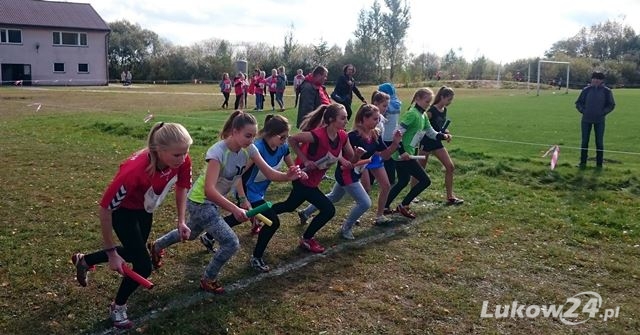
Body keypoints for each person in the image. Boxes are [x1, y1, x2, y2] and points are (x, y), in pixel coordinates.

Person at [149, 111, 305, 294]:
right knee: (231, 242)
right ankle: (208, 279)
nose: (251, 139)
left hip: (210, 203)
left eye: (254, 136)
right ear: (234, 131)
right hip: (200, 201)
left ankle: (156, 245)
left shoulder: (250, 149)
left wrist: (288, 176)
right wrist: (235, 208)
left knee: (190, 234)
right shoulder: (218, 152)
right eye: (247, 135)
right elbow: (209, 190)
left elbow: (269, 173)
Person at [70, 122, 193, 329]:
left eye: (185, 153)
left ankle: (85, 260)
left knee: (132, 252)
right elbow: (106, 210)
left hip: (144, 209)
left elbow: (182, 187)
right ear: (159, 150)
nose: (182, 160)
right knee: (143, 266)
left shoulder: (182, 160)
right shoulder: (134, 171)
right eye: (177, 155)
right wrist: (110, 253)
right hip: (122, 212)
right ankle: (117, 306)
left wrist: (181, 220)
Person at [299, 104, 401, 239]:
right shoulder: (353, 136)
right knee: (365, 203)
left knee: (335, 196)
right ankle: (346, 227)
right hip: (345, 173)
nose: (378, 122)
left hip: (356, 172)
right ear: (364, 118)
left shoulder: (375, 134)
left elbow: (385, 155)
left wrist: (395, 143)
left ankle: (305, 212)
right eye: (375, 119)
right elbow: (338, 152)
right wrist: (347, 161)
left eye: (378, 119)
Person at [274, 103, 355, 253]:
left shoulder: (342, 136)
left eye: (347, 118)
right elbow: (292, 139)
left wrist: (347, 158)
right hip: (302, 178)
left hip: (313, 180)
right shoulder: (317, 135)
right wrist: (305, 160)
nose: (346, 121)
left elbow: (350, 156)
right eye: (343, 118)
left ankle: (261, 213)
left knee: (289, 206)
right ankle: (306, 238)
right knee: (328, 210)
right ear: (331, 119)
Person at [384, 88, 450, 219]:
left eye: (430, 102)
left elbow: (431, 133)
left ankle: (385, 206)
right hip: (403, 155)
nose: (428, 104)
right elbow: (396, 134)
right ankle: (404, 205)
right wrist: (402, 152)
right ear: (418, 99)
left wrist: (444, 136)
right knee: (425, 181)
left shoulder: (423, 115)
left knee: (403, 181)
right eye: (426, 101)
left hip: (408, 154)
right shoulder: (412, 114)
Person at [417, 86, 463, 205]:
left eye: (451, 100)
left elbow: (440, 127)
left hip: (437, 143)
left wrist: (446, 133)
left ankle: (450, 196)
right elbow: (423, 125)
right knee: (419, 170)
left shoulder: (444, 110)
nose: (450, 102)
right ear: (442, 97)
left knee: (450, 167)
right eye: (448, 99)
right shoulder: (431, 110)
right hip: (426, 142)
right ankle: (413, 195)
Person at [575, 71, 615, 169]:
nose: (596, 80)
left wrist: (603, 112)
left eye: (598, 79)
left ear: (602, 80)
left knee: (599, 142)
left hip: (600, 120)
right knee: (584, 141)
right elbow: (578, 103)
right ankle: (583, 162)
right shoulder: (586, 90)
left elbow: (611, 105)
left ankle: (599, 164)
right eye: (594, 78)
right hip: (586, 120)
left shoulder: (607, 91)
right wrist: (583, 111)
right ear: (591, 79)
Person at [378, 83, 402, 185]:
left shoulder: (386, 105)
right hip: (393, 135)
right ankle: (390, 178)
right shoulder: (397, 102)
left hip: (384, 135)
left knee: (384, 158)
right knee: (390, 159)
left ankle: (386, 178)